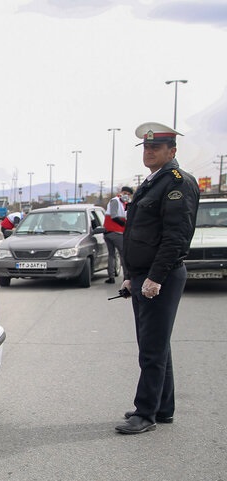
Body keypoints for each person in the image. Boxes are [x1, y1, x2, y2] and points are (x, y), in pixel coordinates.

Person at [115, 122, 199, 435]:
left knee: (151, 348)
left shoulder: (177, 182)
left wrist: (155, 277)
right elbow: (136, 233)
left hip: (159, 277)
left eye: (156, 148)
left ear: (172, 151)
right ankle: (163, 408)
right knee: (158, 345)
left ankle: (145, 413)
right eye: (146, 148)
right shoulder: (153, 182)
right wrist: (130, 276)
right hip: (144, 276)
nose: (149, 152)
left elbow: (176, 238)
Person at [103, 186, 134, 284]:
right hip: (115, 233)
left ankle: (111, 276)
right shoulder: (115, 201)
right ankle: (126, 277)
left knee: (111, 255)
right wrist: (125, 225)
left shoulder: (124, 203)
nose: (127, 196)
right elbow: (114, 216)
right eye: (125, 193)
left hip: (111, 232)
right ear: (121, 192)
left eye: (129, 195)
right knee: (123, 255)